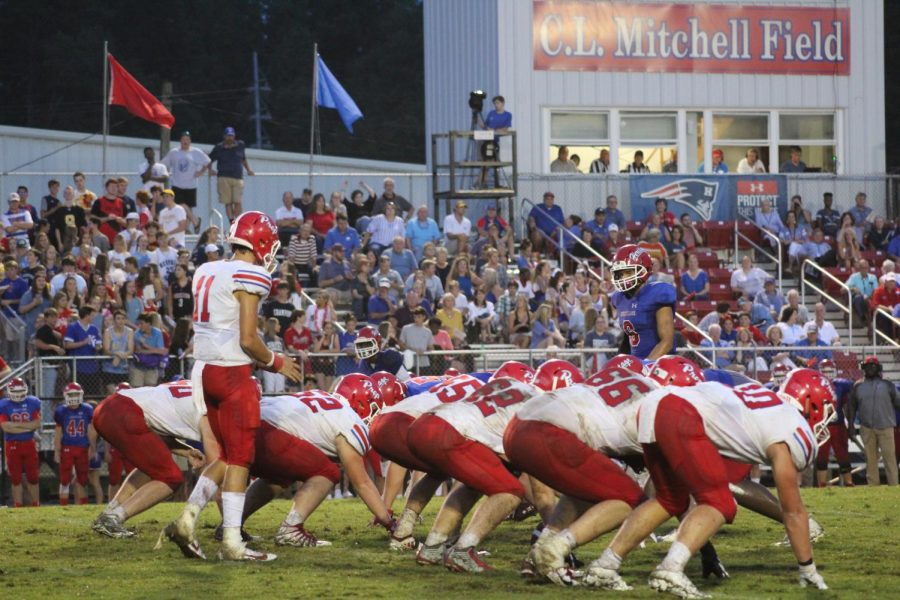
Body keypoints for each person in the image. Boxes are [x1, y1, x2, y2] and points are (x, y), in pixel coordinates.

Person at [584, 369, 832, 595]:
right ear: (810, 402)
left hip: (653, 406)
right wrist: (807, 568)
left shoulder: (765, 400)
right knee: (720, 502)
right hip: (681, 413)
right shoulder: (792, 429)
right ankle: (671, 568)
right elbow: (793, 512)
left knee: (668, 499)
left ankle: (605, 565)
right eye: (826, 408)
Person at [161, 211, 300, 562]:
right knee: (241, 458)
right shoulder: (250, 273)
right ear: (262, 243)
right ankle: (233, 542)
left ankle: (187, 521)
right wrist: (278, 362)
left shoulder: (207, 269)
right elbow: (250, 339)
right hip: (232, 373)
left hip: (205, 370)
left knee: (222, 456)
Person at [408, 371, 544, 571]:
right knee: (510, 492)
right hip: (450, 431)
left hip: (425, 421)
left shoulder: (506, 386)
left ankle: (432, 547)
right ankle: (462, 552)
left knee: (473, 485)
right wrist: (550, 515)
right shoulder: (536, 406)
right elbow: (525, 472)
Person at [241, 383, 396, 546]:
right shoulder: (350, 419)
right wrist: (389, 522)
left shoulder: (322, 396)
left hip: (248, 421)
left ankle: (231, 526)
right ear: (362, 404)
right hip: (269, 431)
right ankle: (291, 530)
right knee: (326, 473)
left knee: (279, 477)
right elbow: (362, 483)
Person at [91, 380, 209, 538]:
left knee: (152, 467)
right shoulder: (210, 407)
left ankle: (110, 514)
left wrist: (187, 452)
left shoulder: (190, 387)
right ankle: (114, 518)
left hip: (109, 405)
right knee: (171, 477)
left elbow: (157, 425)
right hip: (126, 413)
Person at [610, 245, 675, 360]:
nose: (622, 278)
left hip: (661, 365)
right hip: (637, 363)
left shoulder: (658, 293)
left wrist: (645, 366)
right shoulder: (619, 298)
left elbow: (667, 342)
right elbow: (628, 336)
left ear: (643, 270)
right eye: (619, 274)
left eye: (627, 272)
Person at [848, 356, 900, 486]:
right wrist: (850, 425)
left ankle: (894, 486)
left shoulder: (888, 385)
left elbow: (898, 403)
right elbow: (852, 407)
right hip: (867, 428)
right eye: (868, 366)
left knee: (890, 459)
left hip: (886, 427)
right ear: (863, 368)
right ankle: (873, 487)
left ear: (878, 368)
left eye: (873, 366)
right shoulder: (858, 386)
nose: (870, 368)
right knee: (870, 460)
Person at [0, 378, 42, 507]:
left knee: (33, 477)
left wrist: (15, 426)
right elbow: (5, 427)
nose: (18, 395)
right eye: (15, 391)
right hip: (12, 445)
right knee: (16, 478)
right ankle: (18, 505)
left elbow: (36, 424)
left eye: (21, 391)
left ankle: (36, 504)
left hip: (28, 443)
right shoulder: (4, 404)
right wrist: (27, 427)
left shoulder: (33, 402)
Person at [54, 383, 97, 506]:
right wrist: (57, 450)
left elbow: (90, 431)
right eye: (70, 394)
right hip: (67, 447)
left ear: (81, 395)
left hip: (83, 447)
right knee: (65, 479)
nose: (73, 397)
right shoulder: (61, 410)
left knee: (83, 479)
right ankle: (63, 506)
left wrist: (92, 448)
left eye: (75, 394)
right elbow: (58, 432)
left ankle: (83, 506)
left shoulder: (87, 409)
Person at [207, 127, 254, 222]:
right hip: (223, 177)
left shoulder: (240, 145)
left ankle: (238, 221)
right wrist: (210, 170)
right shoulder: (219, 147)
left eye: (231, 136)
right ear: (224, 136)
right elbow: (208, 159)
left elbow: (243, 159)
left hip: (238, 177)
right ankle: (232, 221)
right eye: (228, 136)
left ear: (234, 136)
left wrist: (249, 170)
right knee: (228, 202)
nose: (229, 138)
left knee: (238, 201)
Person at [847, 258, 878, 325]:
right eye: (862, 268)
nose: (864, 270)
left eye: (866, 268)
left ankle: (867, 321)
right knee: (859, 298)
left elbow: (876, 290)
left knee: (869, 301)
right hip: (857, 299)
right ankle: (863, 318)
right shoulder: (854, 277)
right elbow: (843, 289)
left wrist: (869, 297)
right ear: (859, 268)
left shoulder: (873, 277)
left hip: (870, 298)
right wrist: (853, 288)